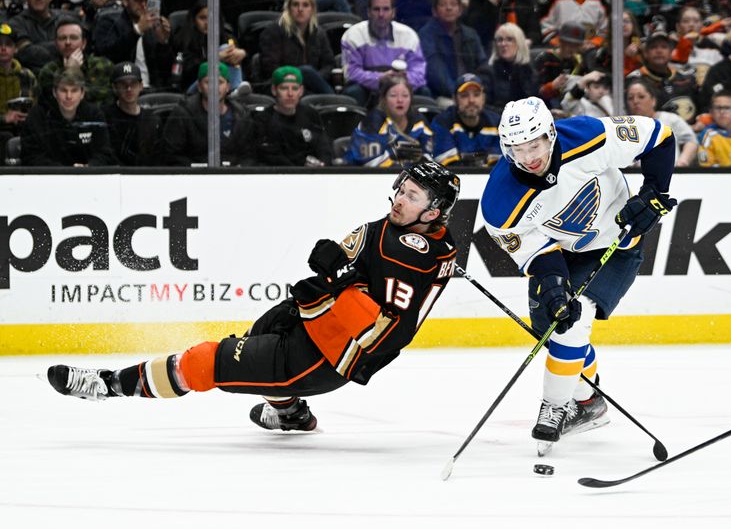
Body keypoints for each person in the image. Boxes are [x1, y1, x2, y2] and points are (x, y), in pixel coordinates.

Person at [47, 162, 460, 436]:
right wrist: (336, 270)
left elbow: (385, 334)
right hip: (316, 325)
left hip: (328, 354)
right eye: (402, 189)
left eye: (413, 196)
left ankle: (107, 386)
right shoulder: (413, 233)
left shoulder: (410, 253)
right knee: (260, 332)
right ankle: (291, 414)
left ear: (433, 211)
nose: (400, 199)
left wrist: (335, 285)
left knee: (205, 361)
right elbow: (348, 260)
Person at [480, 96, 677, 455]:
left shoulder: (588, 136)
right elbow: (538, 253)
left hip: (618, 244)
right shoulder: (499, 203)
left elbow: (660, 136)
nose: (529, 156)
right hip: (562, 255)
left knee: (577, 316)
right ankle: (588, 403)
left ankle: (555, 405)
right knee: (555, 324)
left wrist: (654, 193)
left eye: (535, 143)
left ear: (550, 134)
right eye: (518, 148)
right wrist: (554, 287)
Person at [162, 61, 257, 166]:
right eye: (209, 82)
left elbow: (250, 155)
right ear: (199, 86)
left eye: (220, 82)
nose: (215, 87)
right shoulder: (183, 114)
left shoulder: (241, 115)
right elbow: (171, 155)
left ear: (228, 87)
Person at [340, 0, 428, 105]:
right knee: (354, 91)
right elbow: (351, 73)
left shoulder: (408, 35)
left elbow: (419, 73)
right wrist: (379, 79)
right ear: (368, 12)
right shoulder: (353, 35)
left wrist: (396, 82)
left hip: (402, 87)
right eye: (376, 9)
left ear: (393, 12)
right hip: (368, 89)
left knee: (424, 92)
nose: (381, 14)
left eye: (386, 9)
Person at [20, 66, 115, 166]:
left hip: (87, 178)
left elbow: (105, 153)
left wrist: (89, 167)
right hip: (49, 178)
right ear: (54, 92)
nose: (69, 96)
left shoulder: (94, 115)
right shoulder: (37, 116)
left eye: (74, 90)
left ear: (82, 93)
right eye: (63, 90)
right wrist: (64, 172)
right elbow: (30, 156)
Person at [345, 73, 433, 166]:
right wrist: (394, 155)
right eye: (393, 95)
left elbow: (432, 154)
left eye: (405, 95)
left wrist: (423, 160)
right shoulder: (373, 121)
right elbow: (368, 162)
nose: (400, 100)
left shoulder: (419, 121)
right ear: (384, 99)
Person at [252, 65, 332, 166]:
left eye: (295, 88)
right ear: (274, 90)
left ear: (301, 91)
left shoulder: (311, 114)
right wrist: (301, 167)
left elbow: (324, 147)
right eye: (284, 88)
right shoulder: (263, 120)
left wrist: (322, 163)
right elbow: (270, 157)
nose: (290, 94)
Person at [92, 0, 174, 91]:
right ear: (125, 1)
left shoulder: (152, 26)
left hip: (151, 89)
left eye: (147, 1)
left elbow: (166, 71)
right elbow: (107, 56)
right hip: (122, 89)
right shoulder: (108, 21)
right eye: (138, 0)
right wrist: (137, 30)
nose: (143, 5)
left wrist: (163, 42)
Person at [258, 0, 335, 94]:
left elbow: (329, 64)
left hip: (311, 87)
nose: (300, 9)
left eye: (305, 5)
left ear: (312, 10)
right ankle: (335, 99)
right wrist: (296, 77)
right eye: (295, 5)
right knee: (305, 71)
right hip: (282, 86)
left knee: (308, 75)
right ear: (289, 9)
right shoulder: (273, 31)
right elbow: (270, 68)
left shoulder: (319, 33)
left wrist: (315, 78)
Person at [171, 0, 248, 94]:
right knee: (225, 49)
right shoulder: (183, 39)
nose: (208, 23)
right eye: (202, 18)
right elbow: (188, 71)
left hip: (222, 85)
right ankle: (235, 90)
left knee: (229, 49)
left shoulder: (226, 35)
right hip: (195, 86)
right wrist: (216, 58)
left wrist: (242, 53)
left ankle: (234, 90)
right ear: (194, 20)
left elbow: (239, 62)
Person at [626, 23, 698, 123]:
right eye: (653, 47)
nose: (659, 51)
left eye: (664, 47)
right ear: (646, 53)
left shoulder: (686, 78)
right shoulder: (635, 80)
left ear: (671, 52)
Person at [418, 0, 486, 99]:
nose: (448, 8)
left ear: (460, 10)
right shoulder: (426, 35)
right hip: (443, 96)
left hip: (473, 91)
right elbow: (436, 74)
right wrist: (459, 94)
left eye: (453, 4)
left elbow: (483, 66)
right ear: (434, 11)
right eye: (443, 4)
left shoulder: (470, 34)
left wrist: (477, 90)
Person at [37, 16, 114, 108]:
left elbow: (99, 99)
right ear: (56, 44)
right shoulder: (48, 72)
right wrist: (69, 72)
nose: (68, 42)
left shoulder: (102, 66)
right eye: (62, 38)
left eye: (73, 38)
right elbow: (59, 106)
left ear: (84, 43)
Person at [430, 72, 500, 166]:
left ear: (483, 98)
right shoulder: (442, 123)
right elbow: (449, 167)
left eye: (476, 94)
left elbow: (498, 166)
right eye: (464, 95)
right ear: (455, 99)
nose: (471, 100)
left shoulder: (496, 123)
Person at [626, 78, 698, 167]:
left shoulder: (670, 119)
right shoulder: (624, 126)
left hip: (672, 173)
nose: (635, 101)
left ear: (653, 100)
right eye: (630, 98)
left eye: (641, 97)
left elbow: (691, 140)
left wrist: (683, 161)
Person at [102, 61, 161, 165]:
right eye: (123, 84)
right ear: (114, 88)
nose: (129, 89)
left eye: (133, 84)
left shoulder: (152, 120)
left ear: (141, 86)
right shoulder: (105, 117)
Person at [476, 22, 538, 110]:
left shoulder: (529, 71)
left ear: (519, 43)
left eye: (509, 39)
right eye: (500, 40)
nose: (503, 44)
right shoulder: (486, 72)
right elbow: (485, 107)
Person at [0, 22, 38, 161]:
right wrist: (4, 118)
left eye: (8, 44)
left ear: (15, 49)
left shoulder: (27, 76)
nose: (3, 48)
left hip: (23, 129)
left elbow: (37, 107)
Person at [533, 21, 589, 110]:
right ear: (560, 41)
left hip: (572, 104)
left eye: (576, 46)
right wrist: (551, 86)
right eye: (569, 44)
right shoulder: (545, 59)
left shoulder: (579, 62)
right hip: (546, 106)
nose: (572, 49)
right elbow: (532, 90)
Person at [8, 0, 70, 73]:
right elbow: (27, 53)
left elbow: (77, 47)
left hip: (63, 77)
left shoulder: (64, 19)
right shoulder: (16, 23)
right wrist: (62, 50)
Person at [670, 5, 723, 87]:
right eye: (686, 21)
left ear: (702, 26)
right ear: (678, 27)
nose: (691, 25)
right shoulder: (669, 52)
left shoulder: (714, 52)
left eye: (696, 21)